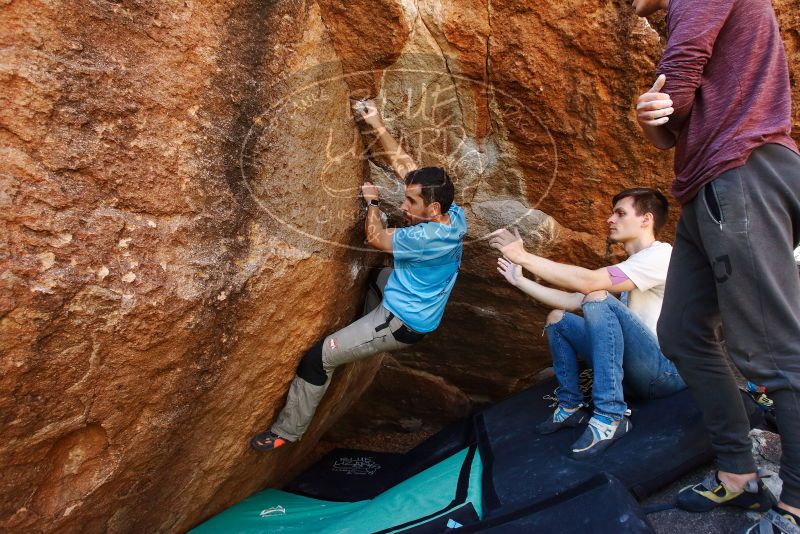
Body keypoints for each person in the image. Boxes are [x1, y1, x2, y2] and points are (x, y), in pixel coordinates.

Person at [632, 0, 800, 530]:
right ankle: (738, 476)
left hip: (742, 172)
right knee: (681, 332)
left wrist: (664, 102)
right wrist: (650, 117)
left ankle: (794, 504)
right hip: (706, 184)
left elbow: (679, 76)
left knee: (774, 351)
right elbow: (670, 126)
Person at [251, 102, 467, 451]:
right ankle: (362, 334)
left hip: (400, 321)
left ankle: (285, 433)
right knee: (376, 279)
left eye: (411, 202)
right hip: (410, 298)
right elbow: (408, 169)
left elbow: (376, 238)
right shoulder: (453, 214)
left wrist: (373, 203)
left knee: (318, 357)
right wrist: (376, 123)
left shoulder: (423, 238)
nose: (405, 206)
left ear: (433, 209)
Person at [490, 188, 685, 459]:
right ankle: (571, 407)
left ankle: (609, 417)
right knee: (558, 319)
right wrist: (520, 279)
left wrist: (524, 256)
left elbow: (591, 286)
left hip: (663, 375)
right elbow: (571, 300)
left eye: (620, 213)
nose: (609, 219)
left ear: (646, 219)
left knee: (597, 296)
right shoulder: (633, 266)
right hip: (635, 373)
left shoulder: (661, 256)